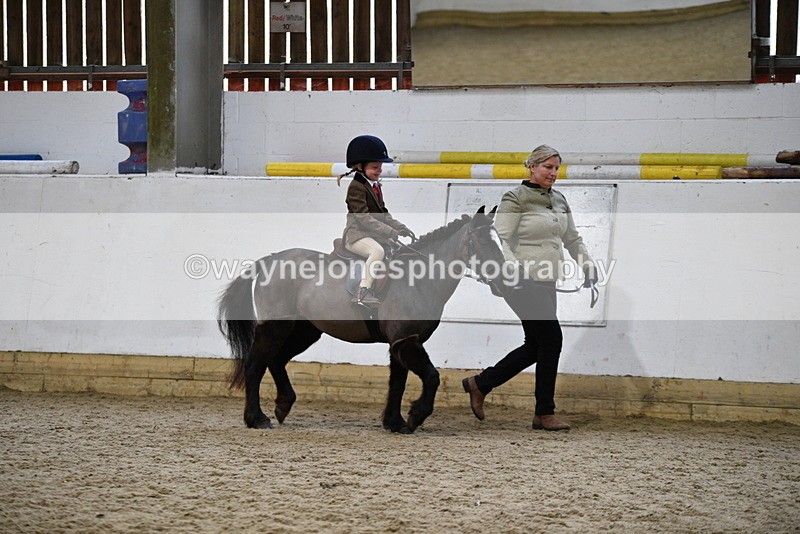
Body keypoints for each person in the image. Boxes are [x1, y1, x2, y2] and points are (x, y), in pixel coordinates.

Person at [462, 145, 598, 431]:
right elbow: (502, 239)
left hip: (548, 279)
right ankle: (543, 413)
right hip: (521, 281)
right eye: (548, 167)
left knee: (536, 345)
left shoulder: (559, 200)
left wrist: (587, 265)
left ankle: (480, 383)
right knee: (552, 340)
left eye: (557, 168)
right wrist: (514, 271)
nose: (553, 173)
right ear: (533, 167)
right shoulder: (515, 198)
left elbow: (572, 239)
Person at [338, 135, 415, 308]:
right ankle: (363, 292)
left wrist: (401, 228)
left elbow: (383, 214)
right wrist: (389, 232)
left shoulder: (375, 185)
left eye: (380, 167)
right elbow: (364, 218)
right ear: (360, 166)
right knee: (378, 252)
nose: (379, 171)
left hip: (371, 234)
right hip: (357, 236)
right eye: (375, 167)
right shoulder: (356, 187)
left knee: (398, 251)